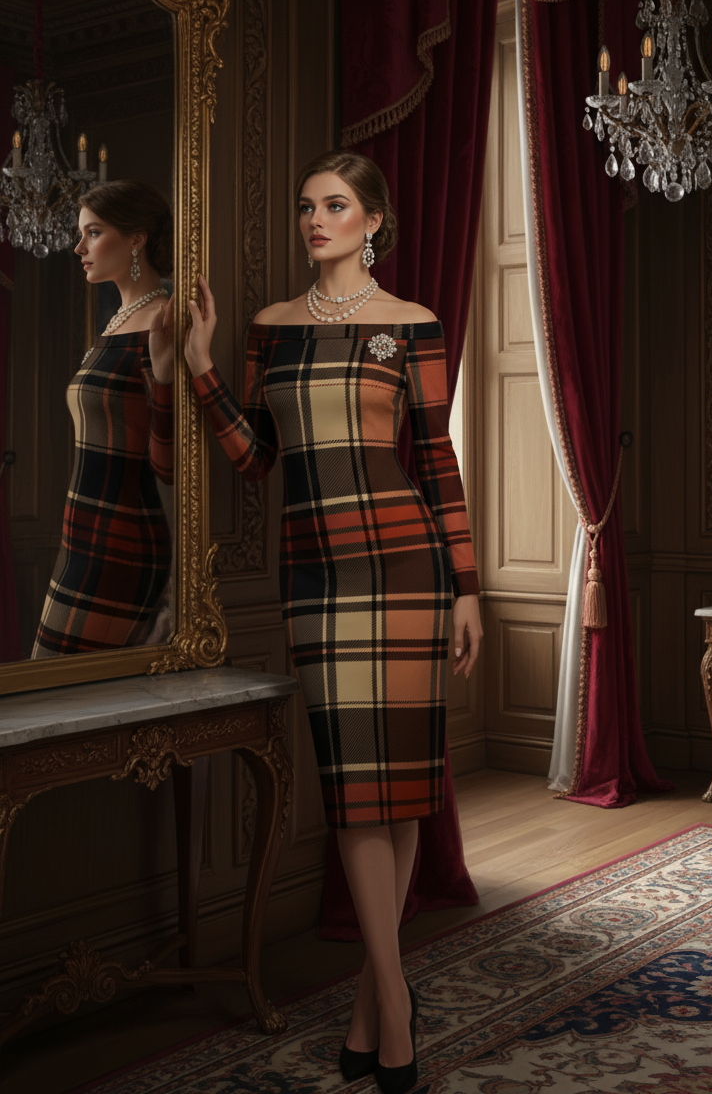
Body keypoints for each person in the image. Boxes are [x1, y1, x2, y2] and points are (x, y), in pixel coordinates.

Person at [185, 150, 482, 1094]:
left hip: (406, 570)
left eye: (337, 206)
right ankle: (394, 1007)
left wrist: (467, 586)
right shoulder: (271, 330)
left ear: (374, 222)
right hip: (314, 580)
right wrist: (200, 371)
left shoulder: (413, 328)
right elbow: (255, 461)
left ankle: (375, 1018)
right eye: (308, 206)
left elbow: (435, 461)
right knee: (357, 790)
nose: (316, 220)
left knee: (392, 795)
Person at [32, 181, 175, 658]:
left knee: (49, 692)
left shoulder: (162, 319)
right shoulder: (115, 321)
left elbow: (168, 462)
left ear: (135, 238)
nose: (79, 247)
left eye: (93, 233)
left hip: (122, 543)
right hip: (83, 537)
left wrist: (165, 375)